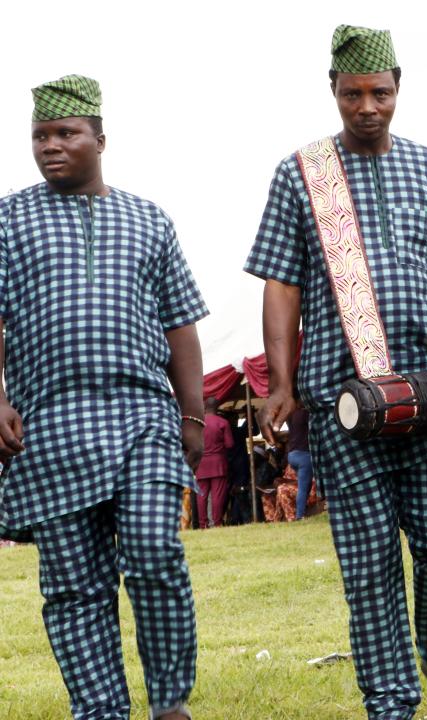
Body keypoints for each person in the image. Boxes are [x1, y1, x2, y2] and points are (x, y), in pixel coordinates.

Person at [245, 26, 427, 719]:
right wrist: (279, 382)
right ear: (332, 92)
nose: (367, 106)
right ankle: (390, 700)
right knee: (369, 562)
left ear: (398, 90)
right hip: (344, 398)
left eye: (379, 93)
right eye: (352, 93)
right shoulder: (301, 171)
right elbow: (281, 285)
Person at [0, 75, 206, 720]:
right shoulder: (8, 217)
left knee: (154, 549)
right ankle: (100, 710)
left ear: (100, 140)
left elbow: (180, 322)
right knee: (72, 584)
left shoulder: (149, 218)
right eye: (40, 135)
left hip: (142, 414)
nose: (51, 146)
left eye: (66, 134)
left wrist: (193, 413)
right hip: (48, 425)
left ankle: (170, 702)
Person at [195, 396, 233, 528]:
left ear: (205, 407)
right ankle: (217, 523)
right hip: (218, 463)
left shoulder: (197, 423)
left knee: (201, 495)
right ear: (217, 408)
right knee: (217, 495)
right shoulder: (223, 422)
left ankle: (202, 524)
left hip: (201, 463)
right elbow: (229, 444)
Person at [285, 406, 313, 519]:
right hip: (304, 455)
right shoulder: (306, 413)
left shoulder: (291, 414)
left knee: (306, 485)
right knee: (303, 487)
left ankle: (304, 511)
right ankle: (299, 516)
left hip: (292, 455)